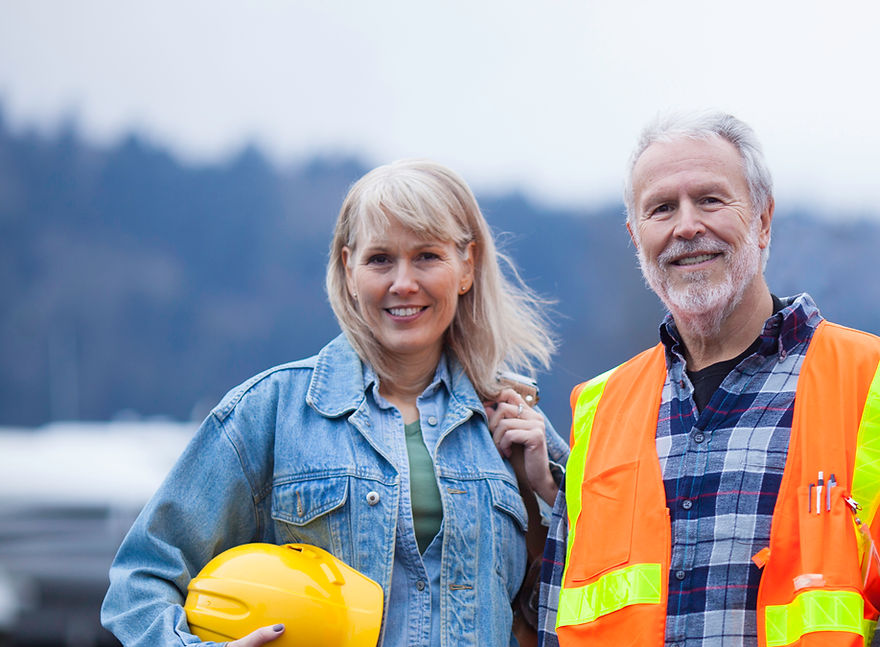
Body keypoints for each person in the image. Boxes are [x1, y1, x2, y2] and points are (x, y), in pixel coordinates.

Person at [537, 111, 880, 647]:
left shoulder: (878, 393)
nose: (686, 226)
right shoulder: (599, 413)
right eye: (661, 208)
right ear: (636, 236)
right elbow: (557, 622)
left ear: (763, 221)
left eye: (711, 200)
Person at [101, 159, 568, 647]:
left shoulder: (516, 422)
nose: (403, 282)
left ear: (466, 266)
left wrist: (550, 490)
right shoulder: (271, 412)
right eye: (380, 259)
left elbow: (576, 607)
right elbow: (141, 577)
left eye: (427, 256)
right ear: (348, 269)